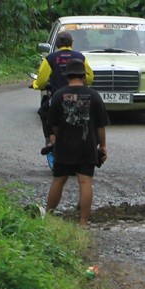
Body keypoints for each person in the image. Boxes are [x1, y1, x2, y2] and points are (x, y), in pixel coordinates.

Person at [46, 59, 109, 226]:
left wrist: (59, 137)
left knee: (59, 180)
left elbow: (53, 124)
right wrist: (103, 146)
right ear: (83, 76)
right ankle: (83, 222)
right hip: (87, 145)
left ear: (67, 76)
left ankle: (48, 216)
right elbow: (101, 126)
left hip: (64, 145)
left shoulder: (58, 95)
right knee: (85, 181)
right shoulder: (94, 96)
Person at [32, 32, 94, 161]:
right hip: (78, 97)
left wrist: (35, 84)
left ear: (57, 44)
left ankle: (52, 139)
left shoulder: (50, 58)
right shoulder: (80, 57)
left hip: (58, 98)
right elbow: (89, 78)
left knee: (43, 112)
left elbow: (42, 81)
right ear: (71, 43)